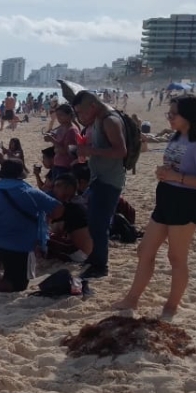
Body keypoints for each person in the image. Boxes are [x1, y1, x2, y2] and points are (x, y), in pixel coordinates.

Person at [113, 95, 196, 322]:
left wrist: (176, 176)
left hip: (186, 201)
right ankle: (132, 298)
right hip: (166, 198)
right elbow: (176, 167)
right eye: (168, 114)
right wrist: (164, 172)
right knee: (145, 251)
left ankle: (171, 305)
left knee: (176, 257)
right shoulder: (177, 136)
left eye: (173, 114)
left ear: (188, 115)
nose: (169, 117)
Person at [0, 159, 62, 293]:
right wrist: (44, 218)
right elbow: (58, 210)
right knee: (18, 285)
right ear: (21, 174)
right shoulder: (31, 193)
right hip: (19, 247)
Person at [72, 90, 127, 280]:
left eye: (82, 112)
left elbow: (121, 151)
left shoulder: (109, 121)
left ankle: (100, 265)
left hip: (109, 180)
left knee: (99, 224)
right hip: (98, 178)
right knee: (92, 220)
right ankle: (95, 256)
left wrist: (90, 150)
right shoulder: (97, 119)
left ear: (93, 107)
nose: (80, 117)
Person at [45, 174, 93, 263]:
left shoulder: (67, 207)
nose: (53, 189)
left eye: (57, 186)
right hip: (89, 252)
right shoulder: (79, 203)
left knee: (41, 238)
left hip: (80, 254)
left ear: (66, 189)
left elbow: (54, 229)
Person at [45, 103, 80, 180]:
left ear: (69, 115)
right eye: (57, 115)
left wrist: (52, 140)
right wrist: (51, 137)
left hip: (65, 166)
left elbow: (65, 150)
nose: (58, 118)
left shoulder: (72, 130)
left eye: (61, 115)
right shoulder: (62, 127)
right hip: (57, 163)